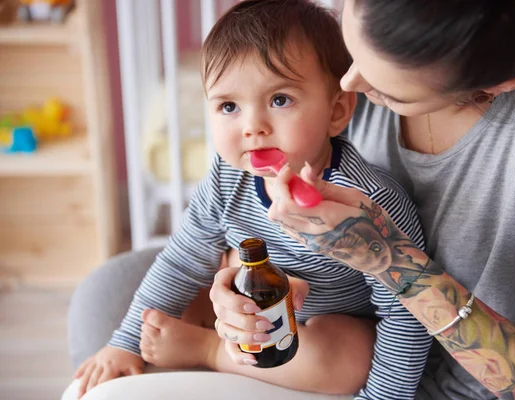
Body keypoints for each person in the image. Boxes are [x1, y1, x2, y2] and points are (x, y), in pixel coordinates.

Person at [65, 0, 515, 399]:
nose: (349, 80)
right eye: (227, 107)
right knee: (104, 307)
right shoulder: (237, 167)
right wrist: (234, 282)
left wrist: (389, 260)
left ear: (497, 84)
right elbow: (189, 252)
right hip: (275, 331)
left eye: (387, 91)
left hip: (387, 363)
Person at [67, 1, 431, 399]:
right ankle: (207, 350)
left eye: (280, 100)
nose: (252, 127)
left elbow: (406, 314)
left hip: (326, 326)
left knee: (348, 353)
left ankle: (209, 352)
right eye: (228, 107)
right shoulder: (228, 178)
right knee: (171, 312)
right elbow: (184, 258)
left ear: (337, 110)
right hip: (255, 316)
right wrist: (125, 341)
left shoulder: (370, 200)